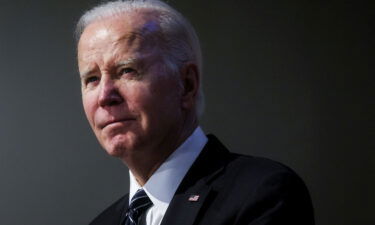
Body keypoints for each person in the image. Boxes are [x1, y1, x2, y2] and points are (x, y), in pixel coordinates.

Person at [75, 0, 314, 224]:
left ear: (187, 84)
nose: (105, 96)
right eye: (92, 79)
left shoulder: (262, 194)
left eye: (127, 70)